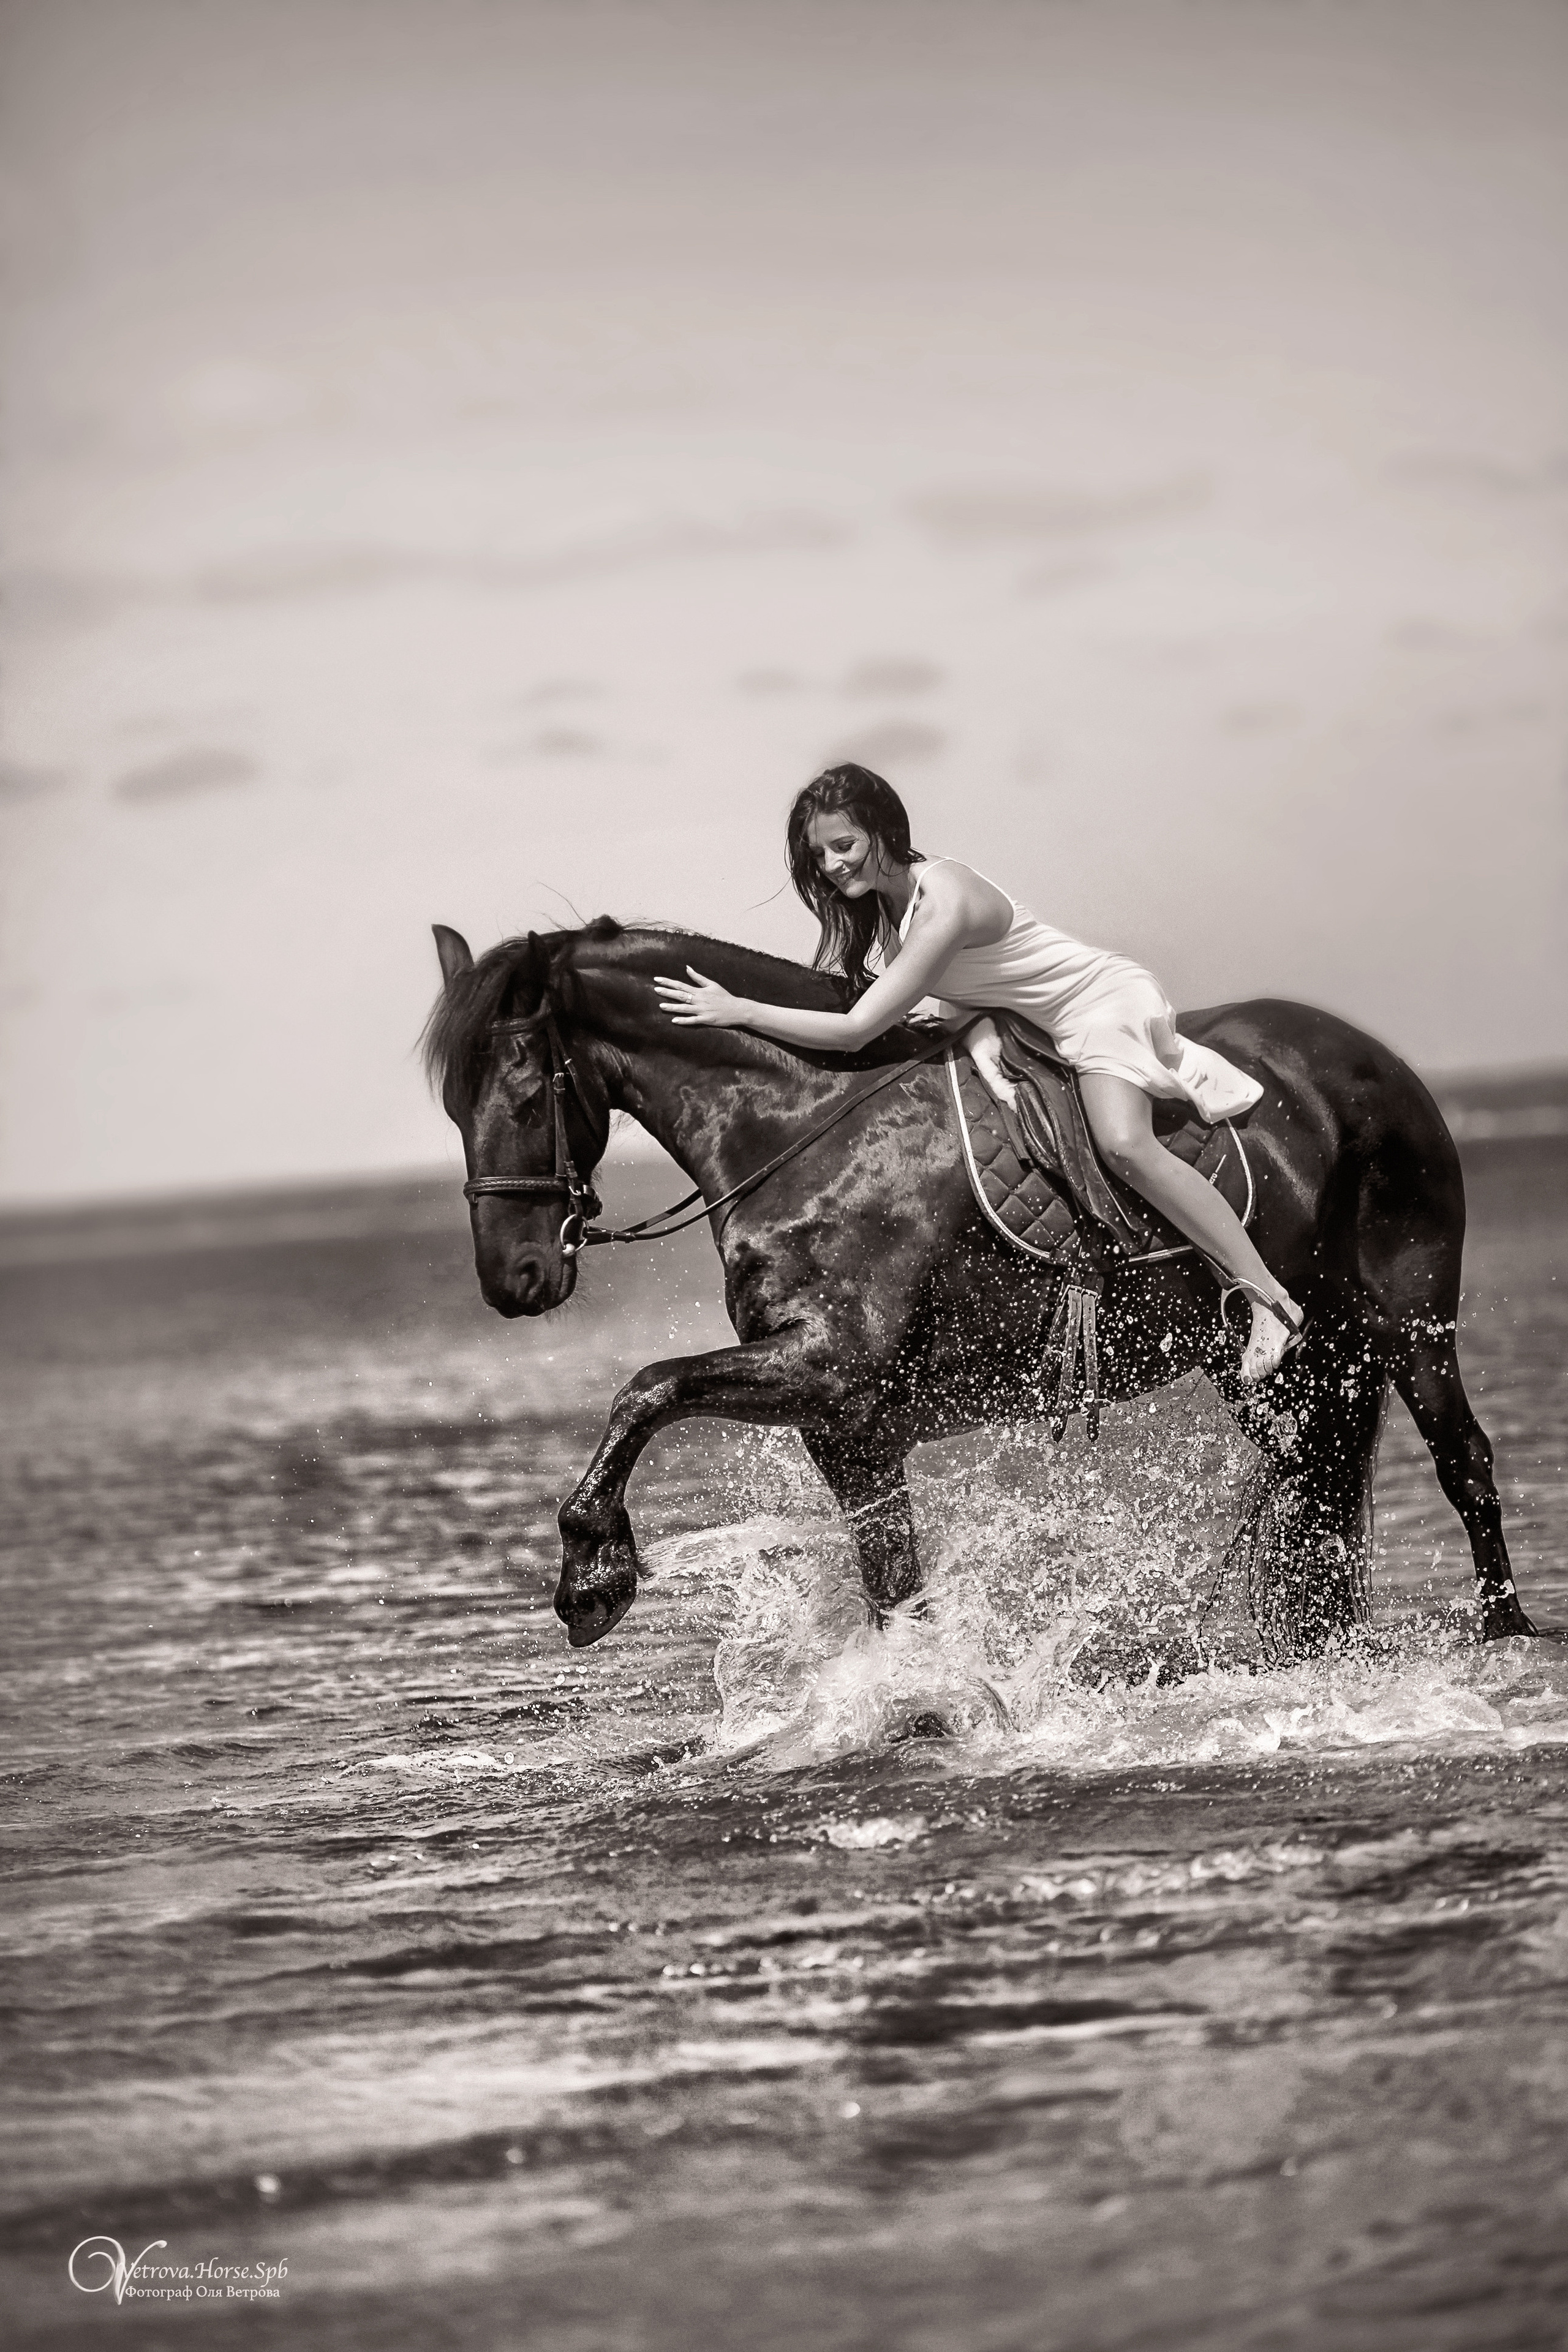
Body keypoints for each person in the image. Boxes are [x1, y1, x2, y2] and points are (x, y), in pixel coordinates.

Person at [655, 764, 1305, 1385]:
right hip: (1041, 1022)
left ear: (884, 829)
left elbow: (859, 1028)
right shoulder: (891, 907)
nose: (832, 866)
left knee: (1123, 1144)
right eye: (819, 856)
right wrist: (975, 1024)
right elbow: (971, 983)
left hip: (1100, 1006)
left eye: (843, 845)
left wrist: (737, 1010)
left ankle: (1267, 1301)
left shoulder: (945, 897)